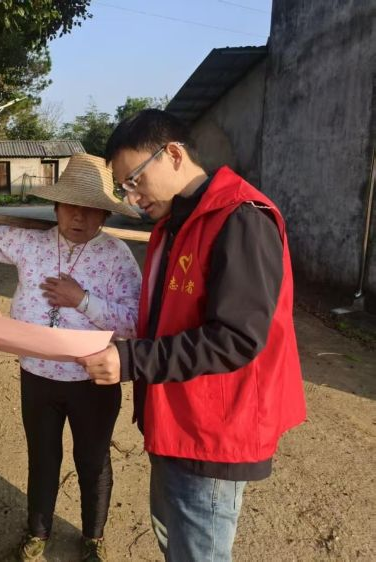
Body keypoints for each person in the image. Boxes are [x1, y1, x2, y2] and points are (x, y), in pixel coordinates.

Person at [78, 109, 307, 562]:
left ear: (174, 154)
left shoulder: (239, 218)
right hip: (173, 418)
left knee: (198, 552)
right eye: (123, 187)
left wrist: (132, 360)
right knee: (174, 539)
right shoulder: (176, 223)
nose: (132, 197)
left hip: (211, 430)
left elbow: (237, 338)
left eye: (135, 181)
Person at [0, 153, 142, 562]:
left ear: (105, 213)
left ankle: (92, 538)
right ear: (56, 206)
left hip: (92, 380)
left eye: (90, 208)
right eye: (70, 205)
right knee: (43, 456)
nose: (79, 216)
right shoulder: (32, 241)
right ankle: (38, 531)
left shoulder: (116, 256)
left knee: (92, 460)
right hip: (37, 376)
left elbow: (133, 321)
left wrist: (83, 300)